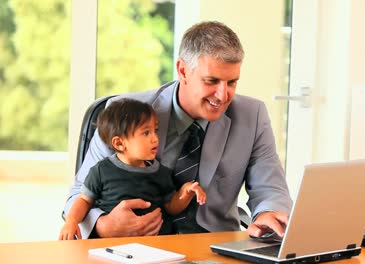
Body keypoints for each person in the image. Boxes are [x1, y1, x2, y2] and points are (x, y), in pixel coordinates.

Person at [64, 20, 292, 239]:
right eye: (211, 81)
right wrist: (104, 226)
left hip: (214, 246)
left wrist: (268, 213)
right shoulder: (125, 115)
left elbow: (270, 187)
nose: (223, 96)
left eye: (231, 82)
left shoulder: (252, 115)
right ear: (183, 71)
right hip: (138, 247)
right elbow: (77, 197)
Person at [59, 99, 206, 240]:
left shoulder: (161, 172)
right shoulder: (101, 171)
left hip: (157, 247)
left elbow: (170, 206)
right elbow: (84, 200)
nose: (155, 138)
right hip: (112, 246)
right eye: (146, 133)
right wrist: (71, 222)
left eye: (155, 130)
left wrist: (185, 192)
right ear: (119, 143)